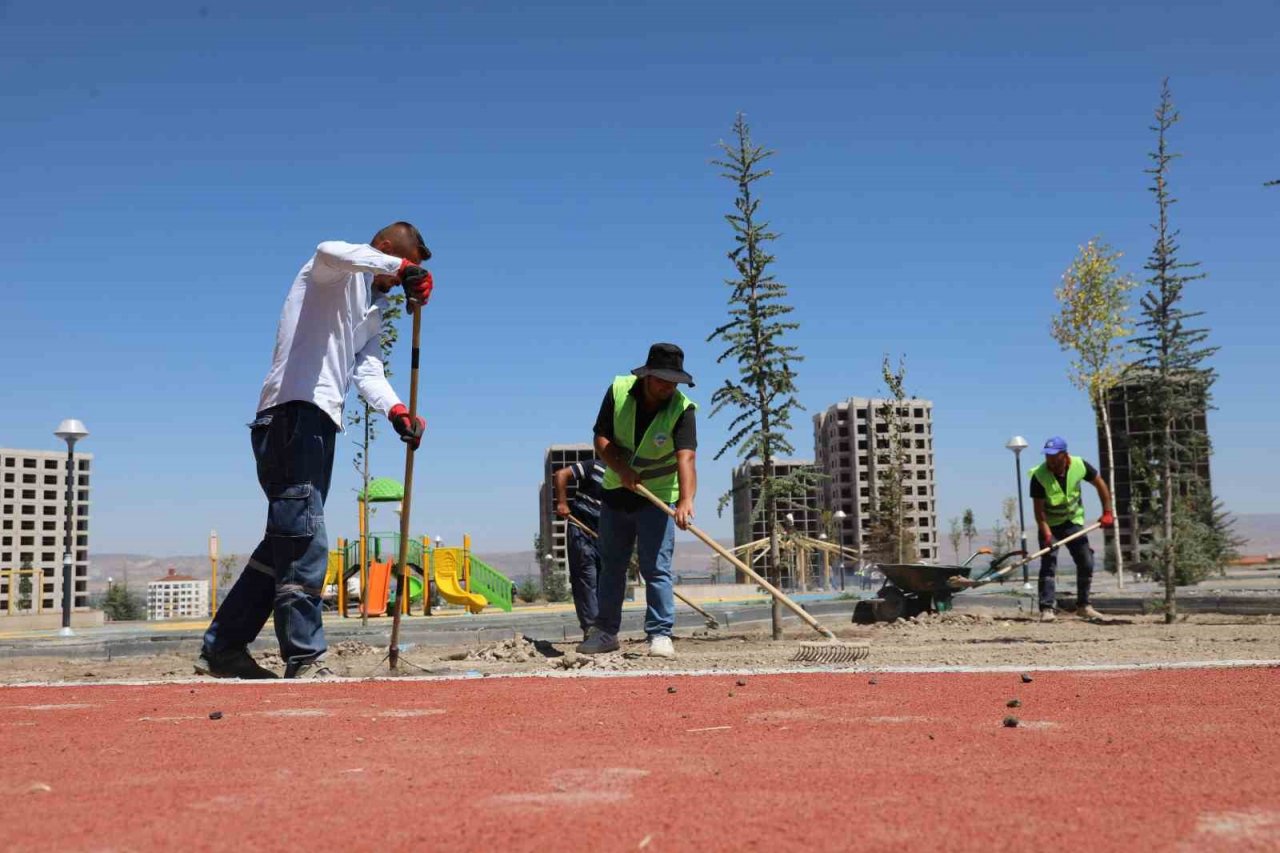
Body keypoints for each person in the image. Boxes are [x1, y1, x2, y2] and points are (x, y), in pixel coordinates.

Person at [197, 223, 434, 679]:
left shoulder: (373, 308)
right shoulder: (332, 273)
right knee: (304, 536)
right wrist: (399, 268)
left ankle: (223, 647)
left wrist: (397, 411)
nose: (403, 280)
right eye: (406, 265)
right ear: (383, 250)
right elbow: (329, 249)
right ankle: (304, 656)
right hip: (291, 412)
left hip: (321, 420)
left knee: (283, 542)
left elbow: (367, 372)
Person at [577, 343, 697, 659]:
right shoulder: (618, 390)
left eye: (674, 382)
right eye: (662, 380)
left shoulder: (683, 409)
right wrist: (621, 468)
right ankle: (605, 632)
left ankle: (659, 634)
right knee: (612, 566)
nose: (668, 387)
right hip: (617, 490)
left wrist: (685, 500)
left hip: (658, 496)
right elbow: (601, 439)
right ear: (647, 375)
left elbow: (686, 457)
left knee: (656, 567)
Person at [1030, 436, 1115, 623]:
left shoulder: (1079, 465)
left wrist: (1107, 511)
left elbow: (1099, 483)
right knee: (1048, 563)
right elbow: (1039, 512)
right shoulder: (1039, 476)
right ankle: (1046, 609)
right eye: (1047, 456)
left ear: (1064, 455)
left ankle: (1084, 606)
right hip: (1049, 524)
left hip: (1072, 521)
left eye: (1054, 456)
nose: (1050, 460)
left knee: (1086, 560)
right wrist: (1046, 534)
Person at [553, 457, 606, 640]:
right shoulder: (593, 466)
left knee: (605, 580)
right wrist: (562, 502)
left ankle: (603, 627)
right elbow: (561, 474)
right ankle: (591, 628)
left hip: (605, 535)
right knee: (586, 577)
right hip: (581, 529)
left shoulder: (624, 475)